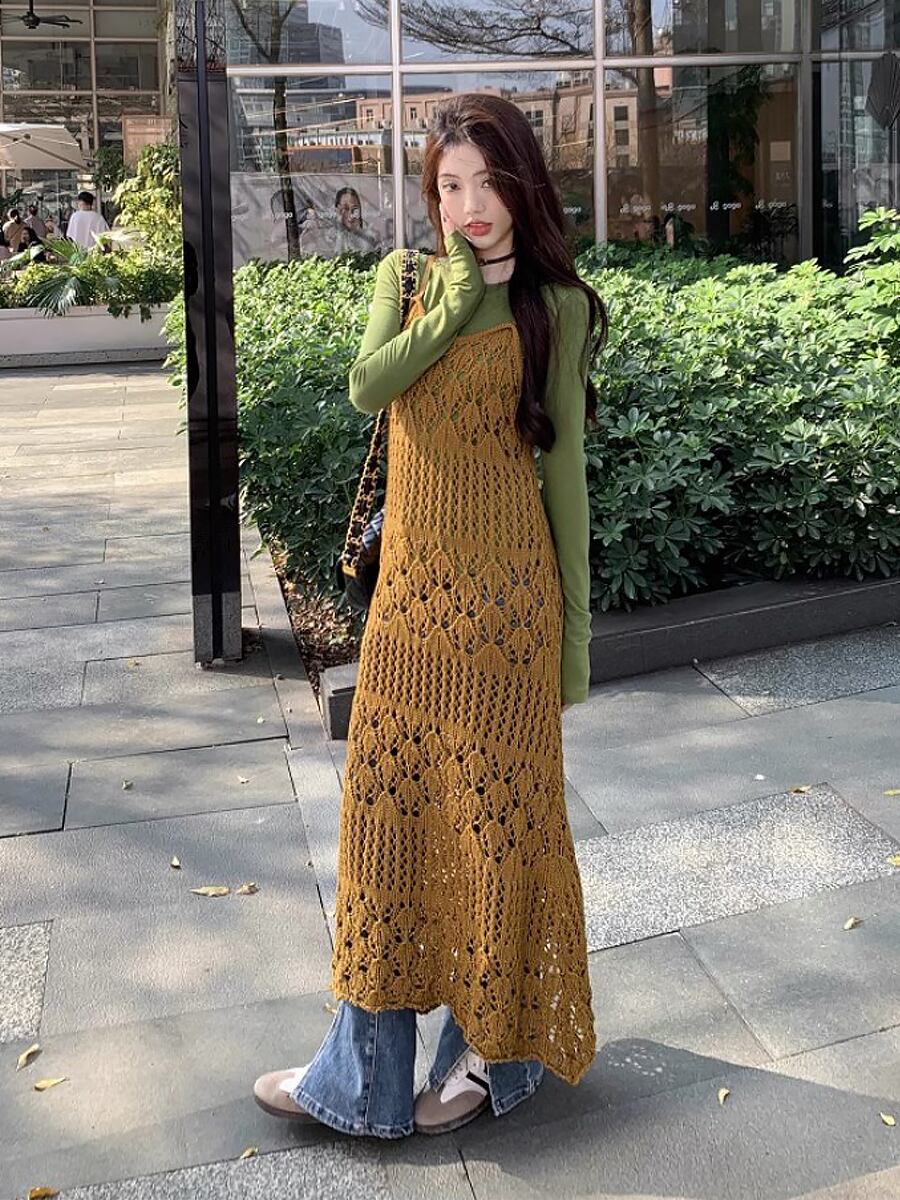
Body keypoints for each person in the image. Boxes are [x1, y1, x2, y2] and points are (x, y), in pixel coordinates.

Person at [253, 91, 608, 1139]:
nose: (470, 206)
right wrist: (449, 304)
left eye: (489, 182)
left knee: (502, 836)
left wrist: (575, 643)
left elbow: (567, 482)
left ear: (524, 184)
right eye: (450, 186)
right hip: (407, 615)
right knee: (389, 834)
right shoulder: (406, 280)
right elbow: (368, 387)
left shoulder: (555, 306)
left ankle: (494, 1060)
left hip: (508, 618)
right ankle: (361, 1078)